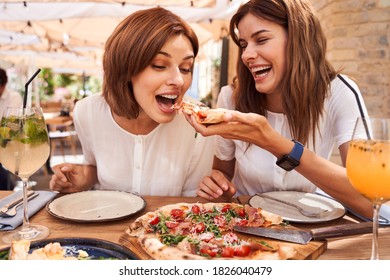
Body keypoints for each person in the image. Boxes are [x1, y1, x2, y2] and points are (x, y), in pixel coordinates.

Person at [184, 0, 372, 218]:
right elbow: (224, 174)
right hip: (247, 224)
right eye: (244, 45)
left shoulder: (339, 92)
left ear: (299, 40)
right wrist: (218, 185)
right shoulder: (231, 98)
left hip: (312, 224)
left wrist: (273, 143)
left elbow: (370, 200)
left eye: (261, 40)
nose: (246, 55)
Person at [49, 7, 215, 196]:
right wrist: (83, 178)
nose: (178, 80)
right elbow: (95, 166)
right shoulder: (86, 112)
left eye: (186, 68)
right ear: (126, 68)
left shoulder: (199, 124)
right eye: (160, 66)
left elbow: (192, 203)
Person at [0, 67, 23, 190]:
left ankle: (6, 190)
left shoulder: (14, 97)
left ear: (3, 85)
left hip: (11, 141)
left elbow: (11, 126)